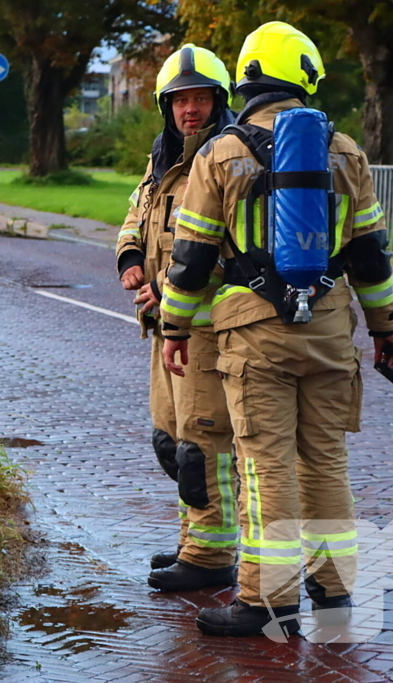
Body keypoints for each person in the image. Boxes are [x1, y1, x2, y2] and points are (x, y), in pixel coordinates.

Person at [160, 22, 393, 637]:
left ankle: (265, 601)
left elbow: (192, 259)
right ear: (304, 75)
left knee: (264, 466)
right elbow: (371, 255)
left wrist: (173, 327)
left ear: (245, 80)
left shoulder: (220, 154)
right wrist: (386, 329)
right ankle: (334, 591)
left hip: (253, 336)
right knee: (325, 463)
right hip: (329, 329)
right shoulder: (345, 150)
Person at [115, 45, 239, 592]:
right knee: (170, 441)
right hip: (165, 327)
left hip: (205, 329)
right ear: (167, 107)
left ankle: (212, 558)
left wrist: (166, 292)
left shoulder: (228, 159)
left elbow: (222, 250)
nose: (190, 109)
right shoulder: (162, 158)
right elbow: (136, 214)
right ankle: (194, 539)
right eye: (180, 100)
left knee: (202, 447)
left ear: (219, 101)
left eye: (200, 98)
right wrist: (130, 257)